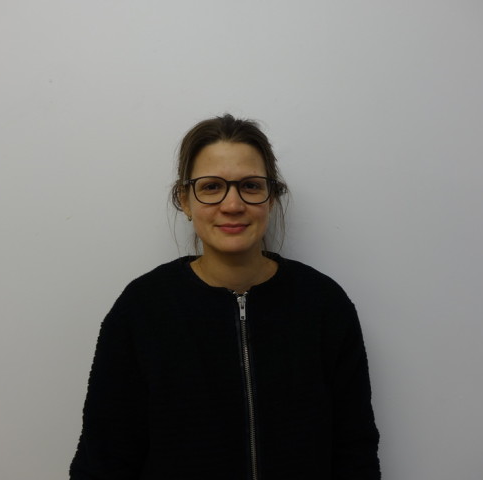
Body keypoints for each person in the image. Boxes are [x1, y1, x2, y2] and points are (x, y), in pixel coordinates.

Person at [70, 114, 381, 479]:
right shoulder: (142, 309)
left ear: (271, 197)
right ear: (185, 200)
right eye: (211, 186)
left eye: (250, 186)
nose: (232, 205)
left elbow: (355, 450)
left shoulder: (324, 304)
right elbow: (103, 457)